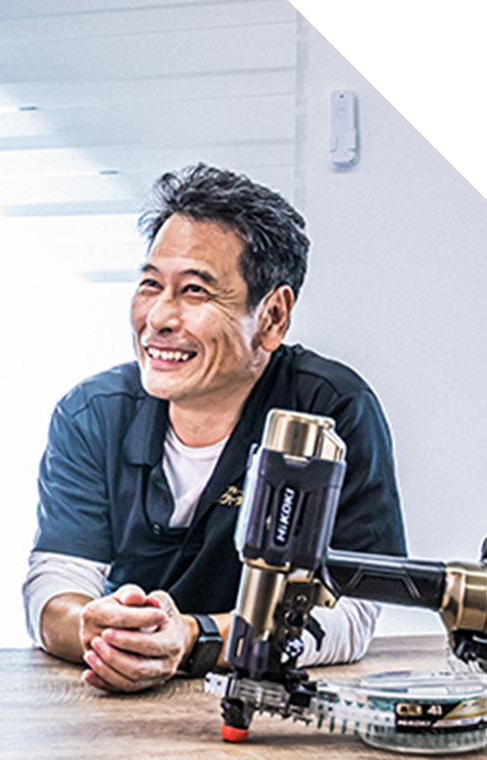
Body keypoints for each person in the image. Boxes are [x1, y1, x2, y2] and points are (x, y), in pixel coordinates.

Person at [23, 163, 405, 692]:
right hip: (115, 704)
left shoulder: (331, 411)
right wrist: (98, 629)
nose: (158, 318)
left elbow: (352, 614)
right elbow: (56, 585)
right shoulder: (92, 414)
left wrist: (193, 638)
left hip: (266, 704)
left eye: (195, 291)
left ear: (272, 317)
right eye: (150, 284)